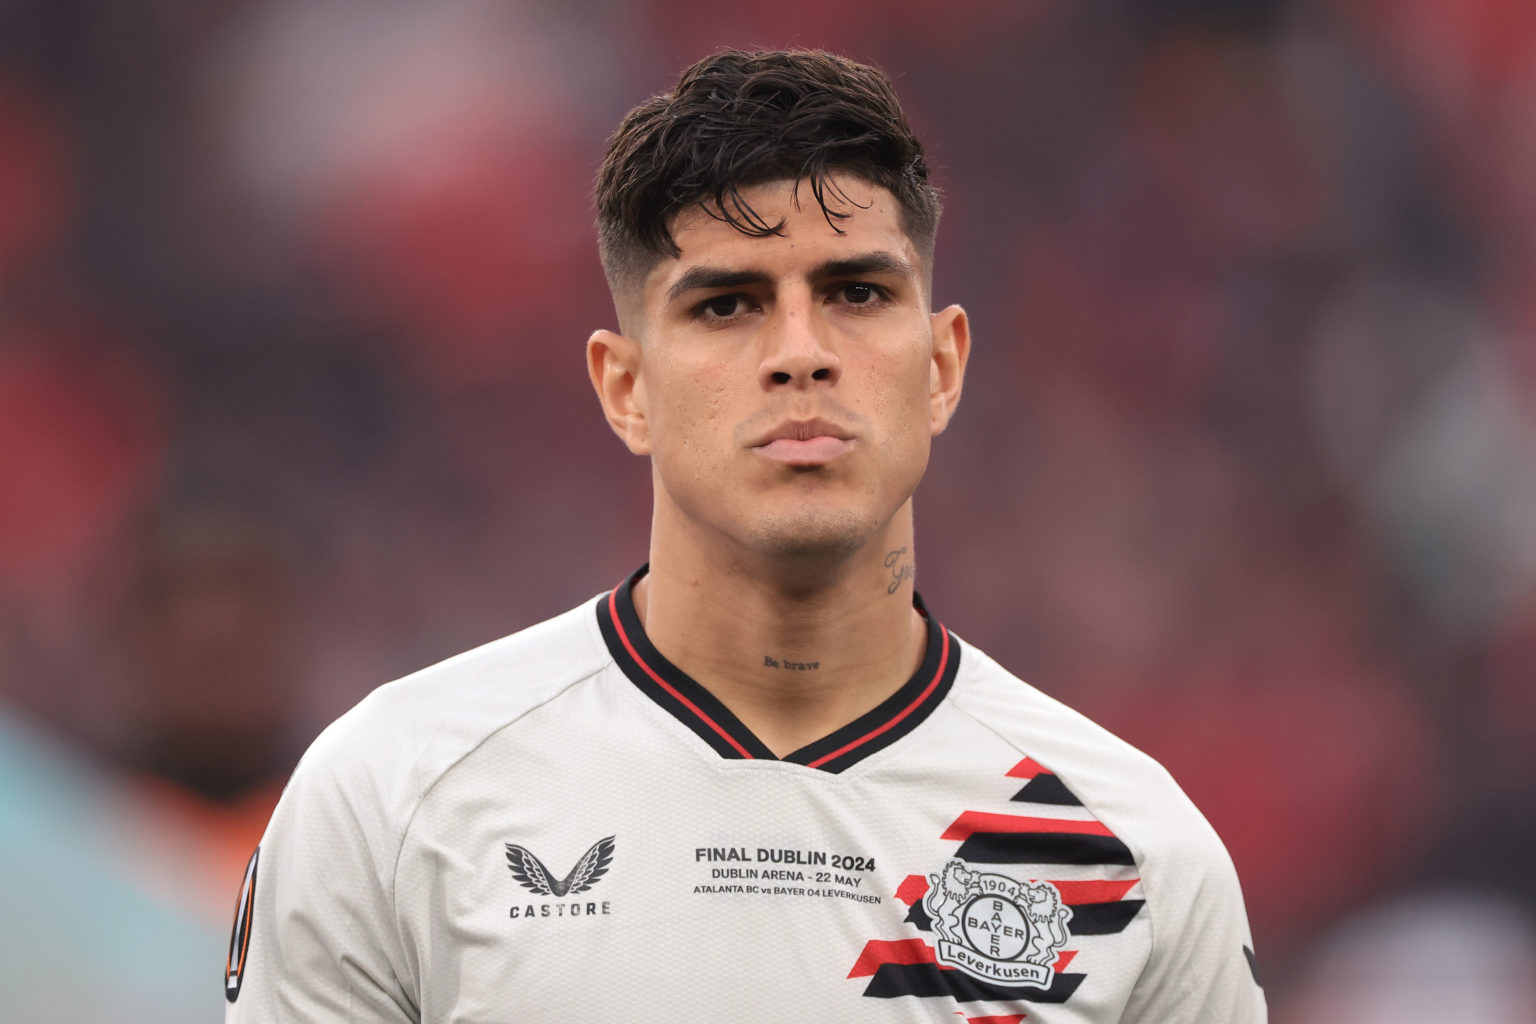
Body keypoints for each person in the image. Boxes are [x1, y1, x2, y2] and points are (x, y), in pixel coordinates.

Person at [225, 49, 1266, 1022]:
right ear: (625, 387)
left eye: (856, 292)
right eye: (727, 305)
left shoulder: (1132, 851)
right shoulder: (394, 795)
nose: (801, 354)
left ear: (942, 366)